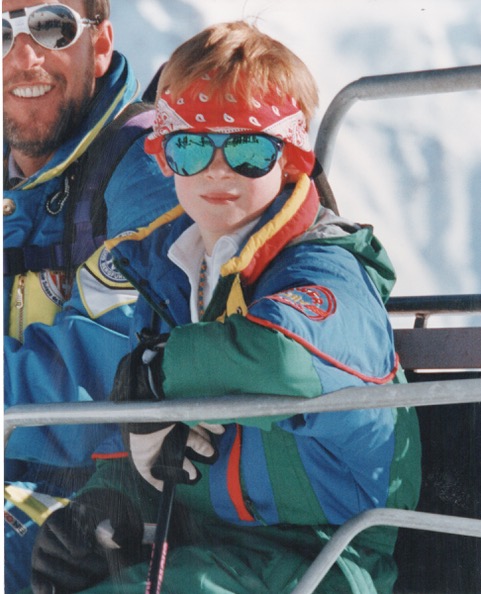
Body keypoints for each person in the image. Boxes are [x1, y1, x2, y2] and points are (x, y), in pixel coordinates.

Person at [30, 21, 421, 594]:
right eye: (191, 146)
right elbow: (146, 432)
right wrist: (102, 502)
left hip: (321, 556)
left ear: (290, 156)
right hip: (211, 545)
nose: (217, 169)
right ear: (163, 156)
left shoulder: (326, 268)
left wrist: (160, 369)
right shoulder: (170, 273)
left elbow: (286, 356)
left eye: (246, 148)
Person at [3, 1, 178, 592]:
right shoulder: (16, 188)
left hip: (114, 508)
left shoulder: (154, 168)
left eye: (51, 26)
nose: (22, 55)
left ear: (99, 46)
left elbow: (95, 387)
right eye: (0, 32)